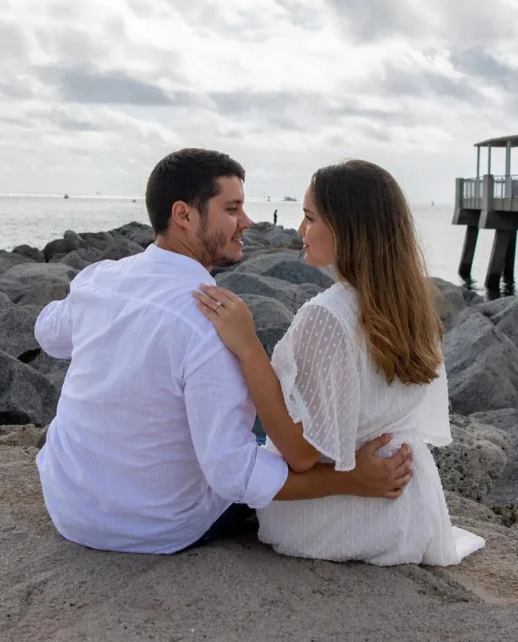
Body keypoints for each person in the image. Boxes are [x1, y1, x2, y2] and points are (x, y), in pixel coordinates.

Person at [35, 149, 413, 555]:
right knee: (250, 420)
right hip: (159, 526)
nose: (247, 222)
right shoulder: (211, 325)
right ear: (183, 215)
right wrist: (350, 479)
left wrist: (104, 322)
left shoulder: (100, 281)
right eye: (232, 209)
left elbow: (48, 333)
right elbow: (233, 473)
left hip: (68, 504)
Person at [195, 160, 485, 566]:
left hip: (336, 516)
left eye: (310, 218)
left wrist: (248, 348)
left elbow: (300, 454)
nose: (299, 231)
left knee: (225, 477)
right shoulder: (412, 305)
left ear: (350, 230)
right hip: (409, 510)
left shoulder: (329, 316)